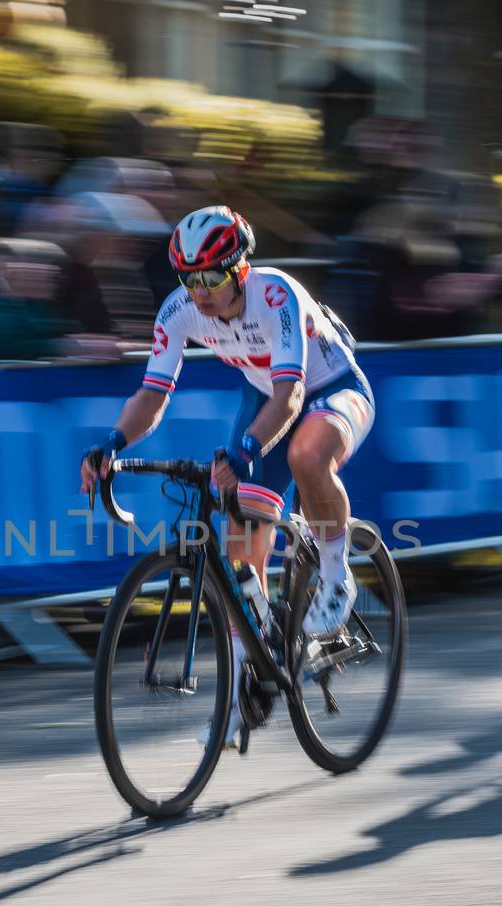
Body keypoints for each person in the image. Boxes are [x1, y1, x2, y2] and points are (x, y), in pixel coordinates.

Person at [77, 206, 375, 749]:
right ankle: (246, 682)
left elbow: (292, 397)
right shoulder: (177, 311)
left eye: (212, 276)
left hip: (331, 389)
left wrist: (245, 449)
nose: (201, 291)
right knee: (240, 546)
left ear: (240, 268)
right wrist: (112, 443)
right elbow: (151, 396)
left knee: (307, 457)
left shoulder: (277, 295)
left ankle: (336, 575)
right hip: (265, 395)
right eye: (189, 278)